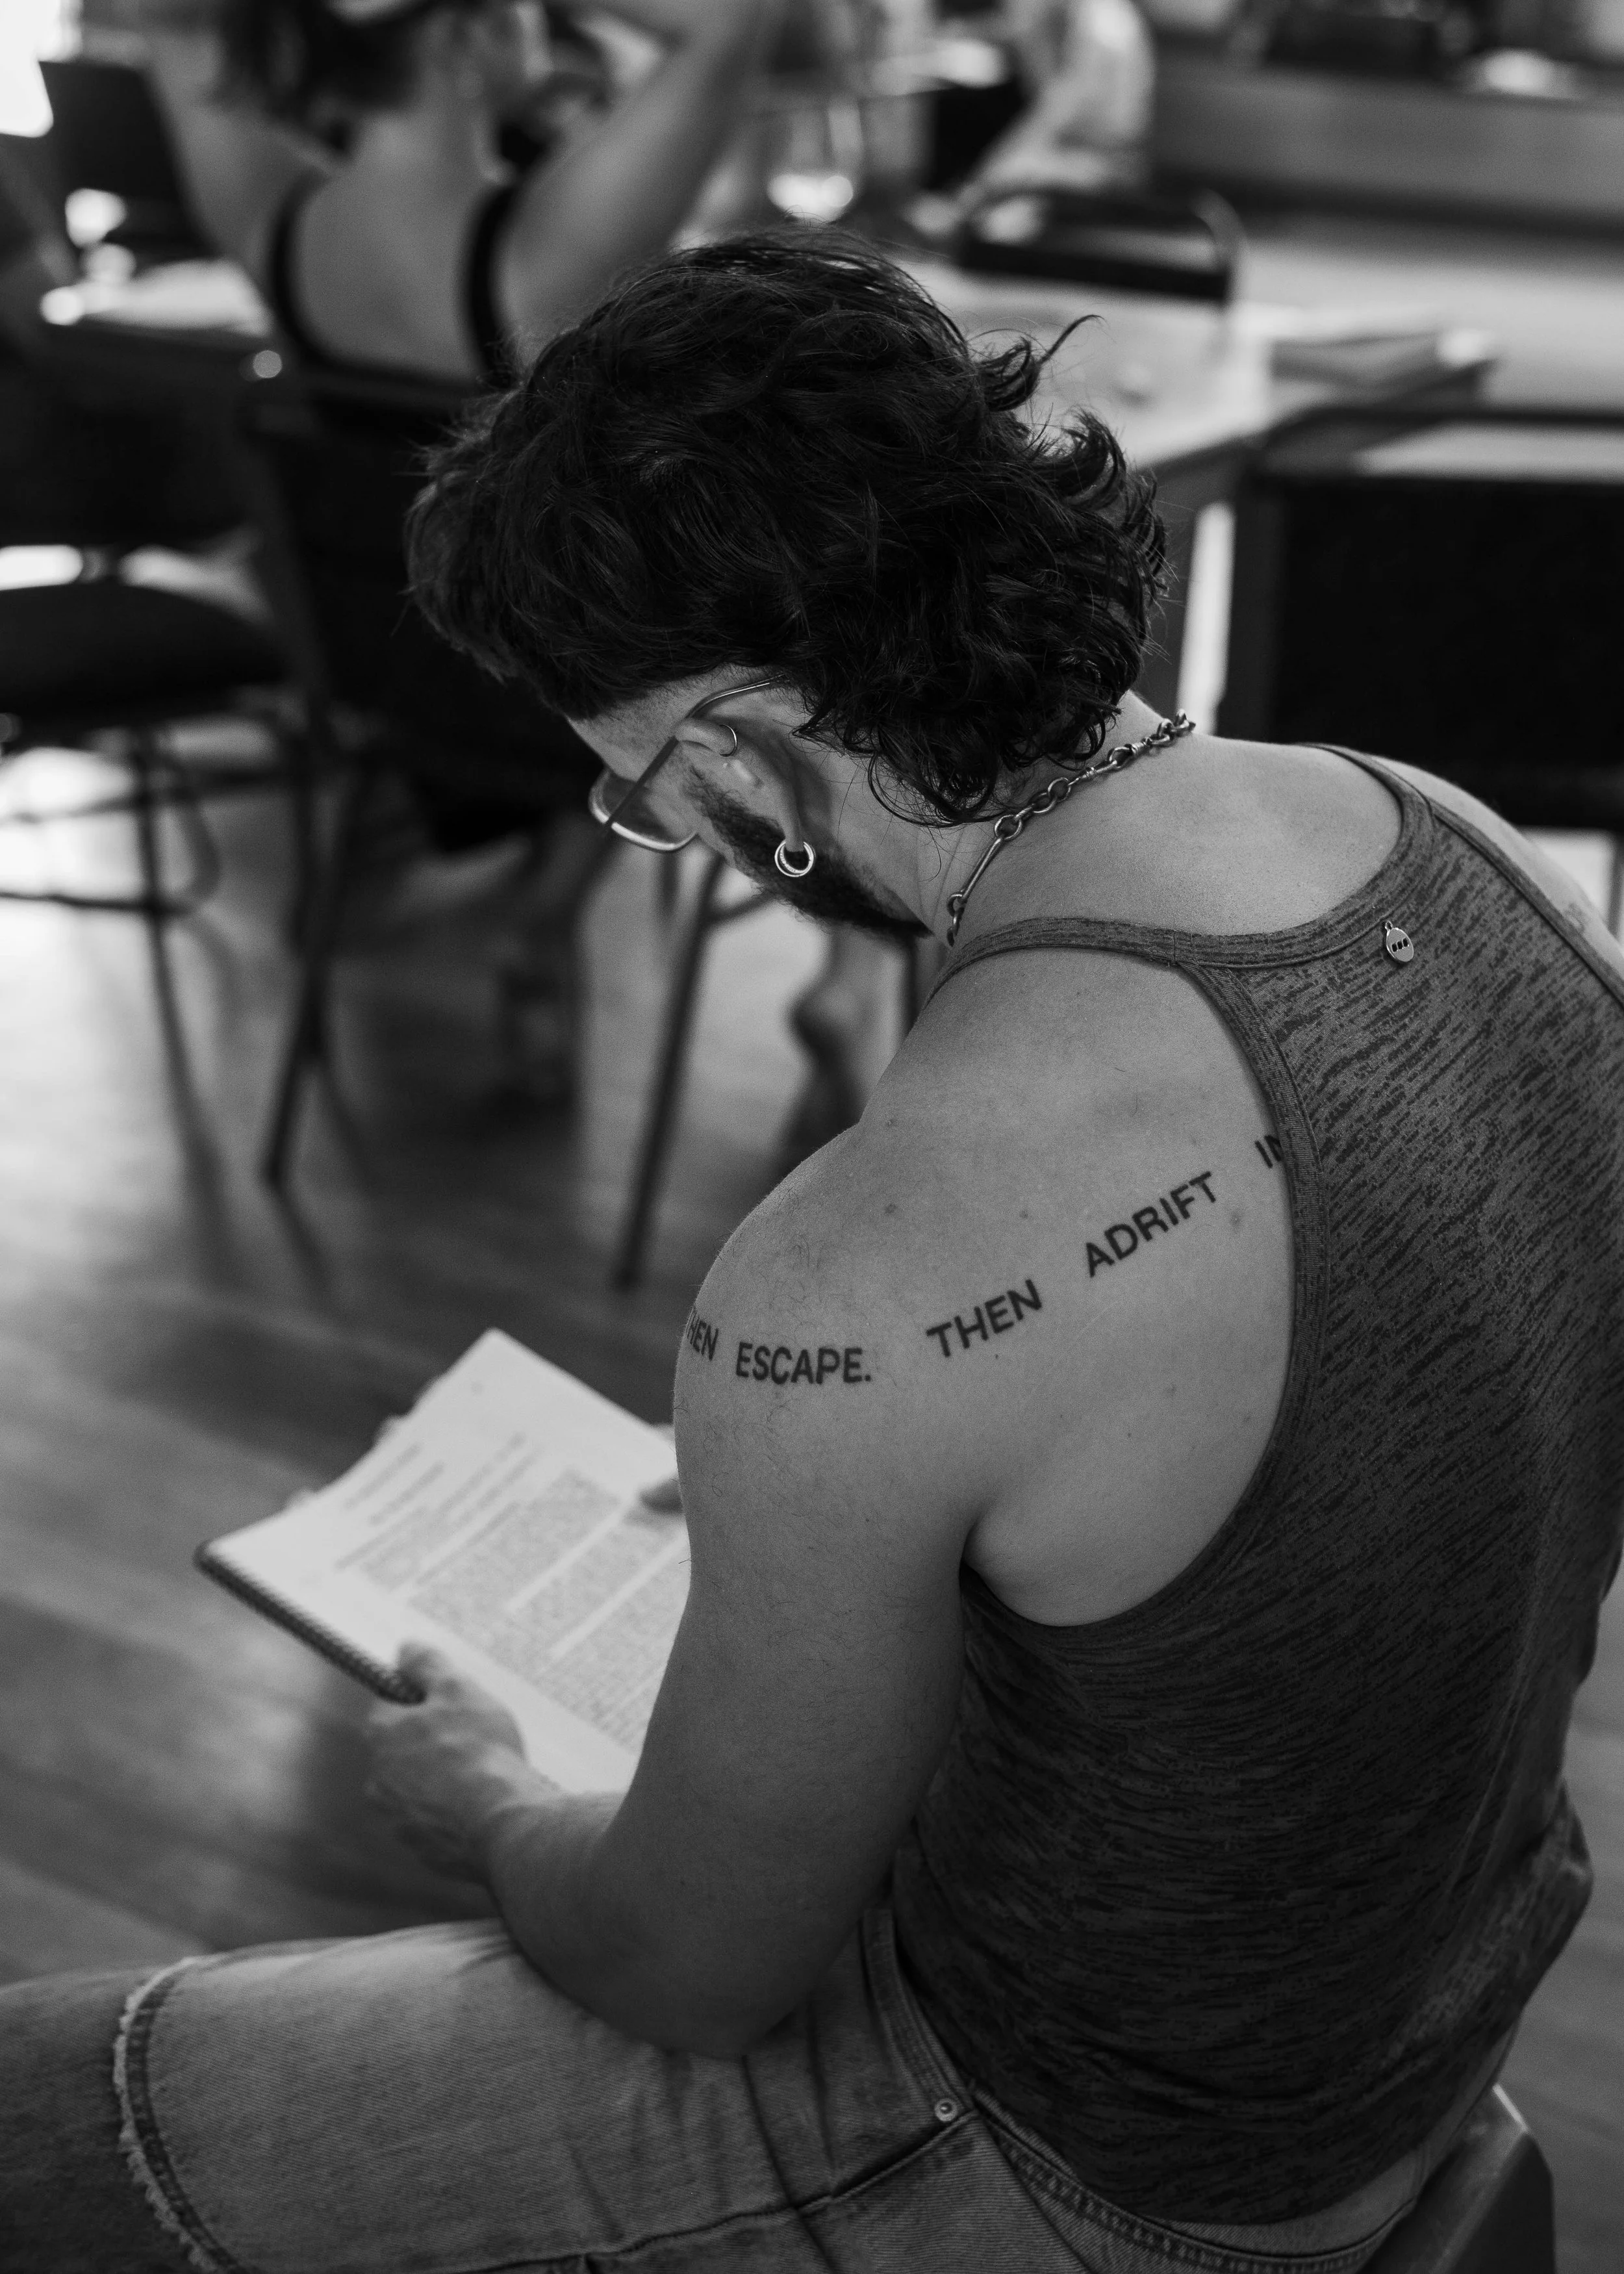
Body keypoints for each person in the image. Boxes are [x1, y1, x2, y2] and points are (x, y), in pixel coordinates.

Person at [5, 230, 1623, 2271]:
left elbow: (684, 1968)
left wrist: (481, 1797)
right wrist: (894, 1504)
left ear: (748, 737)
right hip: (1409, 2011)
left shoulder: (864, 1271)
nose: (675, 829)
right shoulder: (1472, 853)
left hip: (1085, 2158)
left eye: (645, 790)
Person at [134, 0, 780, 1094]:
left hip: (380, 676)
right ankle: (570, 914)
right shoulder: (547, 249)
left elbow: (173, 27)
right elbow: (730, 23)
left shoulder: (272, 221)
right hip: (562, 690)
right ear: (463, 39)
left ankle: (537, 896)